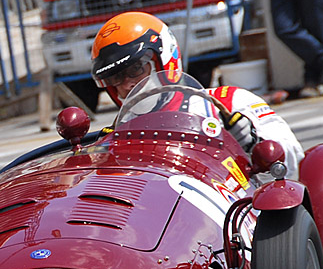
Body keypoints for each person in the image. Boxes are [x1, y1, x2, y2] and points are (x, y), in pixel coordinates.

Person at [91, 11, 304, 177]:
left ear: (164, 59)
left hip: (232, 216)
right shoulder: (114, 138)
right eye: (115, 78)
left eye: (135, 69)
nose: (127, 85)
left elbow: (294, 158)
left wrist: (252, 142)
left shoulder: (230, 101)